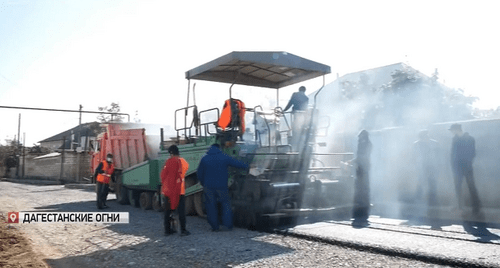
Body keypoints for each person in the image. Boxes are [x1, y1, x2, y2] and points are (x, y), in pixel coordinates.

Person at [197, 144, 248, 231]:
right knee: (225, 205)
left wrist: (203, 183)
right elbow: (236, 163)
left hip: (208, 186)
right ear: (219, 148)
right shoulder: (224, 156)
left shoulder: (205, 158)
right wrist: (247, 166)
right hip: (221, 186)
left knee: (211, 206)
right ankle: (228, 225)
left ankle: (215, 227)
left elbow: (199, 173)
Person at [449, 123, 482, 215]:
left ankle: (476, 208)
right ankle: (459, 207)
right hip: (457, 168)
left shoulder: (470, 138)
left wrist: (467, 163)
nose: (451, 132)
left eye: (452, 130)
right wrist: (453, 165)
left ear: (457, 129)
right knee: (457, 187)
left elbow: (472, 153)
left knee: (471, 187)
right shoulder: (454, 139)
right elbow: (452, 153)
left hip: (467, 167)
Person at [413, 130, 441, 229]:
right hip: (424, 171)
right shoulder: (421, 144)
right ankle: (423, 212)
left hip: (430, 170)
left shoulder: (432, 144)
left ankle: (429, 212)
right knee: (423, 191)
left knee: (430, 192)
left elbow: (438, 157)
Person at [160, 145, 190, 236]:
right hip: (179, 190)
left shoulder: (168, 162)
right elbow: (185, 171)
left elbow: (163, 175)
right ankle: (183, 230)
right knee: (181, 211)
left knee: (167, 211)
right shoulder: (183, 161)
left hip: (168, 190)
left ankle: (167, 230)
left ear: (171, 153)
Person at [351, 130, 372, 227]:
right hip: (361, 168)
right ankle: (361, 212)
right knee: (361, 190)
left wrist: (354, 161)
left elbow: (363, 156)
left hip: (363, 168)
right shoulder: (363, 144)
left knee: (362, 190)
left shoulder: (367, 144)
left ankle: (362, 212)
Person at [283, 86, 309, 150]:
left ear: (299, 89)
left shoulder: (295, 95)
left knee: (295, 127)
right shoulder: (306, 98)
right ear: (305, 91)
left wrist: (284, 110)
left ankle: (294, 142)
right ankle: (300, 140)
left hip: (296, 114)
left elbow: (290, 103)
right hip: (302, 116)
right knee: (301, 127)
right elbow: (305, 108)